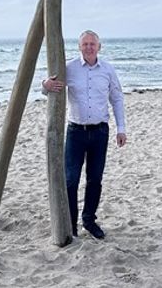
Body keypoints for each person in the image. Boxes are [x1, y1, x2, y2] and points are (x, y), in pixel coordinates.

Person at [42, 30, 127, 239]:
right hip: (76, 132)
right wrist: (45, 86)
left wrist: (121, 128)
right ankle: (70, 224)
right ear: (79, 47)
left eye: (92, 44)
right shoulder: (69, 68)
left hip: (100, 132)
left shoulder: (108, 70)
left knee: (95, 179)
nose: (89, 47)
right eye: (85, 44)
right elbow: (49, 86)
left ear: (99, 47)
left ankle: (89, 220)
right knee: (71, 180)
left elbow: (116, 98)